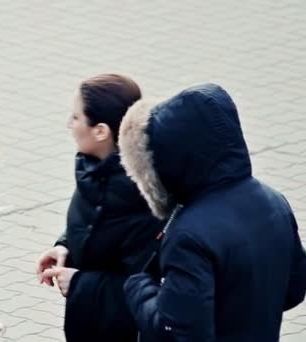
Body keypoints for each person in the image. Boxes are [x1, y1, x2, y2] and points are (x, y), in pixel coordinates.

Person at [118, 83, 306, 341]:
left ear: (176, 155)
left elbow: (176, 334)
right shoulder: (274, 201)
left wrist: (139, 288)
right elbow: (294, 290)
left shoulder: (189, 235)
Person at [35, 74, 164, 341]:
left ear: (101, 131)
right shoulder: (93, 170)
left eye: (76, 118)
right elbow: (90, 224)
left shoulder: (143, 198)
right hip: (86, 322)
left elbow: (144, 287)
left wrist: (81, 284)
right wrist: (65, 246)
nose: (69, 124)